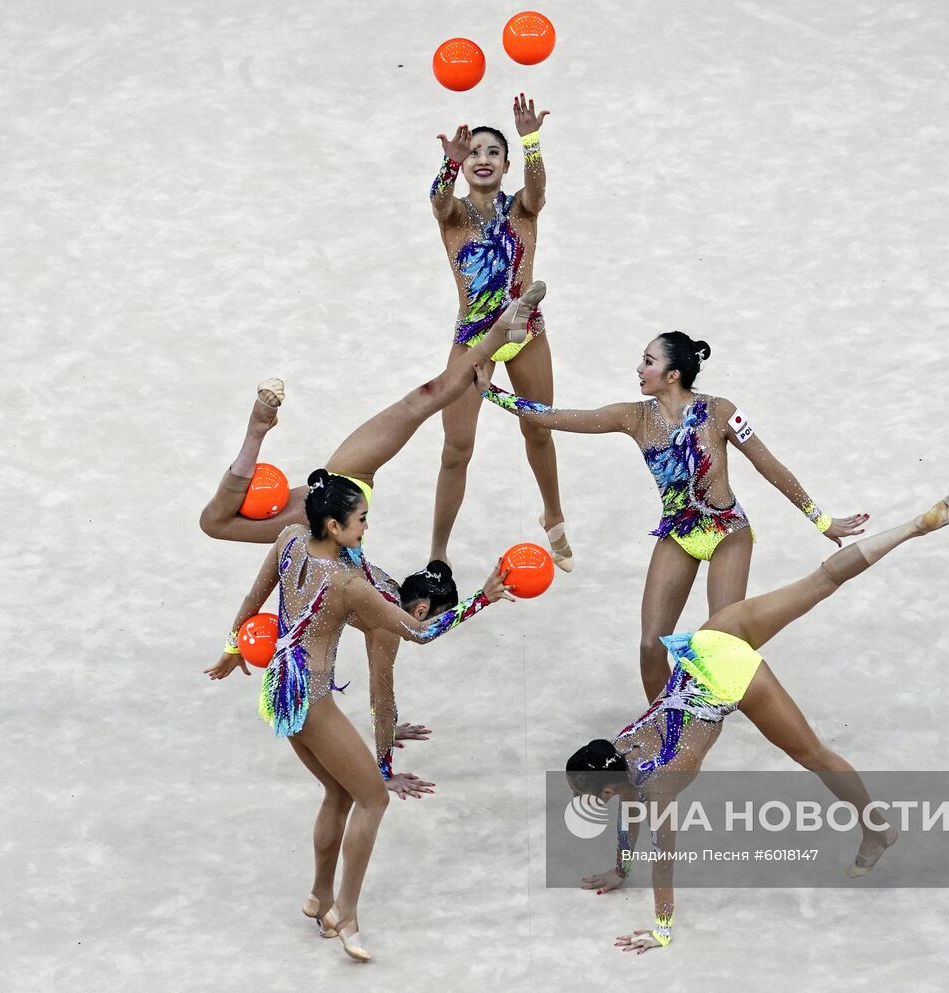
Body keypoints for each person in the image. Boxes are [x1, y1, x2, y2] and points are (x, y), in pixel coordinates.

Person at [566, 494, 949, 952]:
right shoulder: (621, 745)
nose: (588, 801)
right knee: (822, 579)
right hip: (710, 640)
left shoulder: (656, 786)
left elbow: (664, 857)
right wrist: (621, 869)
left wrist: (661, 929)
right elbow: (627, 811)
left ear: (607, 788)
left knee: (814, 754)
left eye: (587, 795)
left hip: (731, 678)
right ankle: (914, 526)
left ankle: (879, 828)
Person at [199, 286, 543, 797]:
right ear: (419, 608)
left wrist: (235, 643)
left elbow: (386, 701)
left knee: (421, 400)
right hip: (335, 505)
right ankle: (498, 332)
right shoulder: (384, 624)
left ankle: (257, 433)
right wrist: (385, 771)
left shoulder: (374, 581)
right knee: (218, 524)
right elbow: (382, 699)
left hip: (338, 495)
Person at [205, 471, 516, 962]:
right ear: (334, 525)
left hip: (280, 687)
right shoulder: (348, 584)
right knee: (373, 799)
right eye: (361, 520)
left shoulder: (289, 539)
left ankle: (319, 896)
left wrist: (231, 647)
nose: (366, 528)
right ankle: (346, 913)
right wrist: (482, 598)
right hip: (311, 699)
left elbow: (252, 599)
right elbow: (419, 632)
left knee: (338, 792)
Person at [477, 331, 868, 698]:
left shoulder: (719, 411)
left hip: (727, 532)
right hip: (679, 534)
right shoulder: (634, 417)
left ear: (672, 375)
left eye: (648, 362)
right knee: (650, 646)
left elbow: (770, 466)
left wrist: (821, 520)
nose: (639, 368)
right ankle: (664, 724)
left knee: (721, 643)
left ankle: (721, 706)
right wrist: (491, 393)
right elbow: (555, 416)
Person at [428, 94, 573, 570]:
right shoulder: (454, 215)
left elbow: (538, 188)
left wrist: (532, 141)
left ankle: (553, 515)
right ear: (463, 164)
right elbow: (437, 200)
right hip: (474, 338)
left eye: (494, 152)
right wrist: (448, 166)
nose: (483, 159)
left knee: (538, 428)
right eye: (474, 153)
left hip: (525, 333)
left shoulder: (522, 210)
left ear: (507, 165)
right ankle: (438, 552)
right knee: (456, 449)